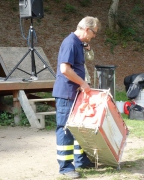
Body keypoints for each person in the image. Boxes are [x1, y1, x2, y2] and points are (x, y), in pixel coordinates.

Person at [52, 16, 101, 179]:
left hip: (75, 92)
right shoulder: (70, 43)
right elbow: (65, 69)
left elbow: (84, 61)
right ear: (86, 29)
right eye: (94, 32)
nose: (94, 36)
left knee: (78, 126)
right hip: (66, 93)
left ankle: (81, 160)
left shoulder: (78, 44)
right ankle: (65, 167)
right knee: (65, 129)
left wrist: (86, 48)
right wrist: (83, 83)